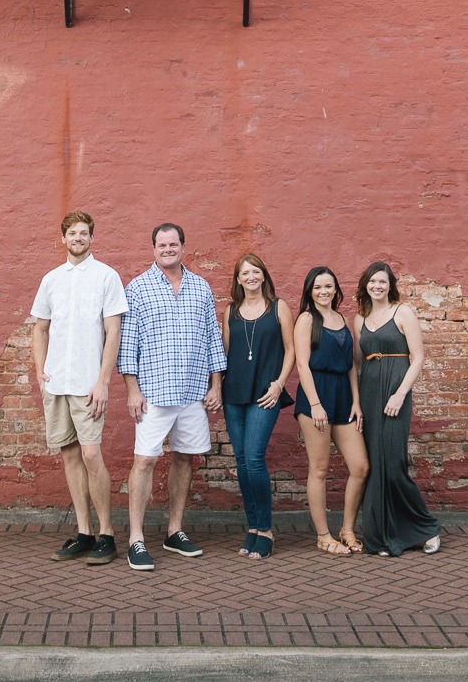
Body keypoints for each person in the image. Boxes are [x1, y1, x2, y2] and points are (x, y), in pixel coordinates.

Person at [117, 222, 226, 572]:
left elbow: (212, 338)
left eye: (173, 244)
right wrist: (132, 390)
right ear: (153, 249)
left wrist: (216, 385)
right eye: (161, 245)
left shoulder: (200, 287)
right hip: (152, 392)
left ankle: (174, 531)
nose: (168, 249)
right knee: (145, 460)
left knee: (184, 457)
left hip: (194, 390)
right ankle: (136, 538)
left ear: (183, 246)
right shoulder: (137, 288)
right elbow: (127, 344)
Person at [30, 210, 128, 565]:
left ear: (91, 238)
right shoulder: (51, 279)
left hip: (89, 384)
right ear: (63, 238)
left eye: (84, 233)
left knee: (90, 454)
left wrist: (103, 381)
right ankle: (84, 533)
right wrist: (40, 371)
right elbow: (40, 328)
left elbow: (113, 331)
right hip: (57, 382)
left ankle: (107, 534)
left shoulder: (106, 277)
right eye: (72, 233)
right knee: (69, 455)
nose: (78, 238)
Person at [355, 260, 441, 557]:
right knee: (374, 466)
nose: (377, 286)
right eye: (372, 281)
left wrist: (400, 394)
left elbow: (417, 358)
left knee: (393, 465)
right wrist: (357, 403)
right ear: (365, 285)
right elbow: (357, 364)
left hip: (395, 395)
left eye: (382, 281)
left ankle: (426, 528)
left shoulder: (402, 312)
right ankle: (380, 536)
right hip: (369, 393)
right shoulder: (360, 318)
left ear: (390, 285)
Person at [221, 253, 295, 559]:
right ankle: (252, 527)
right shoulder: (230, 311)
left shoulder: (279, 308)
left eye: (255, 272)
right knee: (240, 462)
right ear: (238, 279)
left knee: (253, 459)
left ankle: (265, 528)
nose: (250, 277)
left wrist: (279, 384)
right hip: (234, 393)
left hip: (266, 394)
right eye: (244, 273)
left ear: (263, 275)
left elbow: (291, 350)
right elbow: (224, 354)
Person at [293, 265, 368, 556]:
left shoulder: (341, 318)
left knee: (360, 467)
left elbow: (351, 365)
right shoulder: (306, 319)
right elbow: (302, 365)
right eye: (318, 288)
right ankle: (323, 535)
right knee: (320, 468)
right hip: (316, 396)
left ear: (336, 289)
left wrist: (357, 402)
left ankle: (347, 529)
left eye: (328, 286)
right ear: (310, 292)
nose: (324, 292)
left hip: (343, 397)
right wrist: (315, 405)